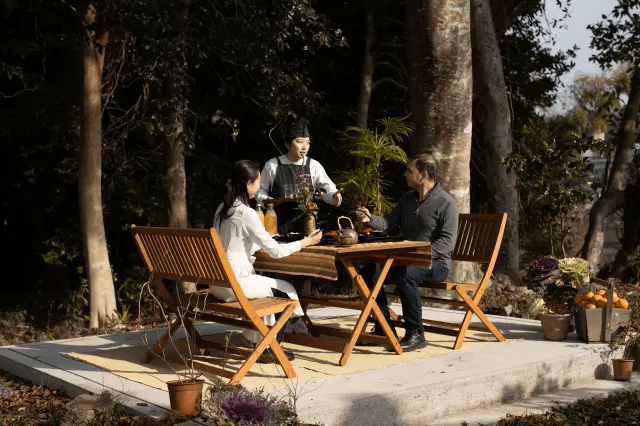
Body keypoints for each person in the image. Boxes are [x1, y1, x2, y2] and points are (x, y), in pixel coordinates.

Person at [213, 159, 323, 357]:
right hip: (235, 283)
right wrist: (305, 243)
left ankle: (264, 342)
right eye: (258, 181)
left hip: (218, 284)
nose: (259, 185)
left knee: (272, 287)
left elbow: (234, 242)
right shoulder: (245, 212)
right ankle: (271, 348)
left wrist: (264, 240)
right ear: (248, 183)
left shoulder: (222, 208)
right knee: (286, 289)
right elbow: (276, 252)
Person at [354, 150, 458, 351]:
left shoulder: (446, 203)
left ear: (424, 174)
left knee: (406, 275)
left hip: (436, 264)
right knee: (368, 273)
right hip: (407, 261)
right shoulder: (407, 199)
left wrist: (418, 253)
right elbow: (388, 223)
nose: (405, 175)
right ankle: (384, 327)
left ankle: (416, 334)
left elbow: (447, 242)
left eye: (409, 171)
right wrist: (370, 219)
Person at [256, 117, 342, 236]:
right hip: (278, 226)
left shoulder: (313, 165)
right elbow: (259, 190)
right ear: (288, 144)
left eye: (307, 142)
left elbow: (327, 188)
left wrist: (334, 196)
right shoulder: (273, 165)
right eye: (300, 142)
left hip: (309, 226)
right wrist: (267, 201)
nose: (304, 147)